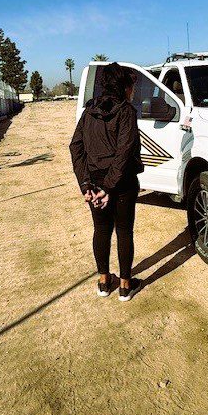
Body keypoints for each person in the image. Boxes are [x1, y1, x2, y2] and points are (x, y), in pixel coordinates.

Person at [69, 62, 144, 301]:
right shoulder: (126, 111)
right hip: (120, 183)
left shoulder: (89, 111)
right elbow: (124, 153)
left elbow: (76, 147)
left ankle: (104, 281)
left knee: (101, 229)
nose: (132, 91)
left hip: (97, 183)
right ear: (123, 86)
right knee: (123, 231)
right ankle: (124, 285)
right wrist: (107, 187)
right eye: (131, 86)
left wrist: (87, 183)